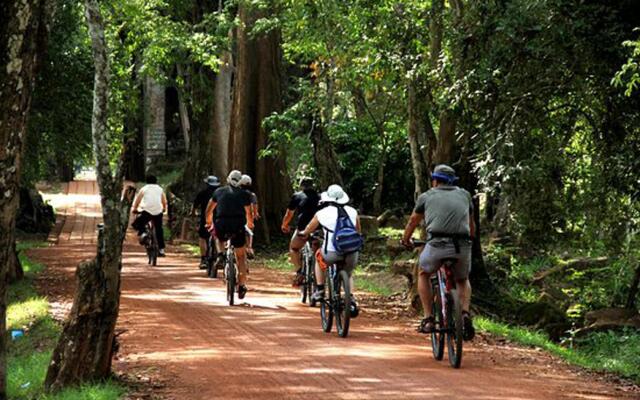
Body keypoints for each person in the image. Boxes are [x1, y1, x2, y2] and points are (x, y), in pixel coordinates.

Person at [401, 164, 475, 340]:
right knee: (463, 279)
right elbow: (472, 226)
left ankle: (428, 318)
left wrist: (405, 239)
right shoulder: (465, 195)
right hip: (461, 246)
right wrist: (470, 238)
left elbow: (413, 221)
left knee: (423, 273)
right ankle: (464, 313)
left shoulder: (426, 196)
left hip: (436, 245)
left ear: (435, 180)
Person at [299, 184, 361, 315]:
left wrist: (304, 233)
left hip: (331, 253)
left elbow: (309, 228)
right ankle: (352, 300)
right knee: (348, 273)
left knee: (318, 258)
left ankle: (320, 289)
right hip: (351, 252)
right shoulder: (353, 211)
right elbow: (358, 231)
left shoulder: (322, 213)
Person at [205, 170, 254, 299]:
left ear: (228, 179)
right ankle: (242, 285)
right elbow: (249, 213)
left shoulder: (219, 191)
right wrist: (250, 224)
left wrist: (208, 221)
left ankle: (221, 254)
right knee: (241, 257)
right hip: (238, 226)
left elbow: (210, 209)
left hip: (221, 223)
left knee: (217, 236)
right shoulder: (244, 194)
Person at [281, 177, 321, 286]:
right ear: (313, 185)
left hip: (302, 228)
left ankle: (299, 272)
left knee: (294, 248)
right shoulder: (320, 197)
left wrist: (284, 225)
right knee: (317, 253)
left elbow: (289, 214)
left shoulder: (297, 196)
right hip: (318, 229)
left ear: (301, 186)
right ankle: (318, 276)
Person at [132, 175, 168, 256]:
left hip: (147, 211)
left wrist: (135, 209)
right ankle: (161, 249)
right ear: (156, 181)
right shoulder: (160, 189)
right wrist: (164, 209)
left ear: (147, 181)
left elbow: (138, 200)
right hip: (158, 212)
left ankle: (143, 233)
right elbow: (164, 201)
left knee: (137, 223)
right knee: (159, 229)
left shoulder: (144, 188)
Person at [191, 175, 221, 269]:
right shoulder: (221, 193)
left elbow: (195, 206)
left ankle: (203, 259)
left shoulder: (202, 193)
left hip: (206, 218)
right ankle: (220, 256)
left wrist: (193, 214)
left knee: (202, 238)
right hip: (219, 218)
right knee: (219, 237)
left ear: (207, 184)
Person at [239, 174, 259, 259]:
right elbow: (254, 208)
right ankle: (249, 247)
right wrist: (255, 214)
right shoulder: (252, 195)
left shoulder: (237, 193)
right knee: (249, 233)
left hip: (237, 217)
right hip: (248, 219)